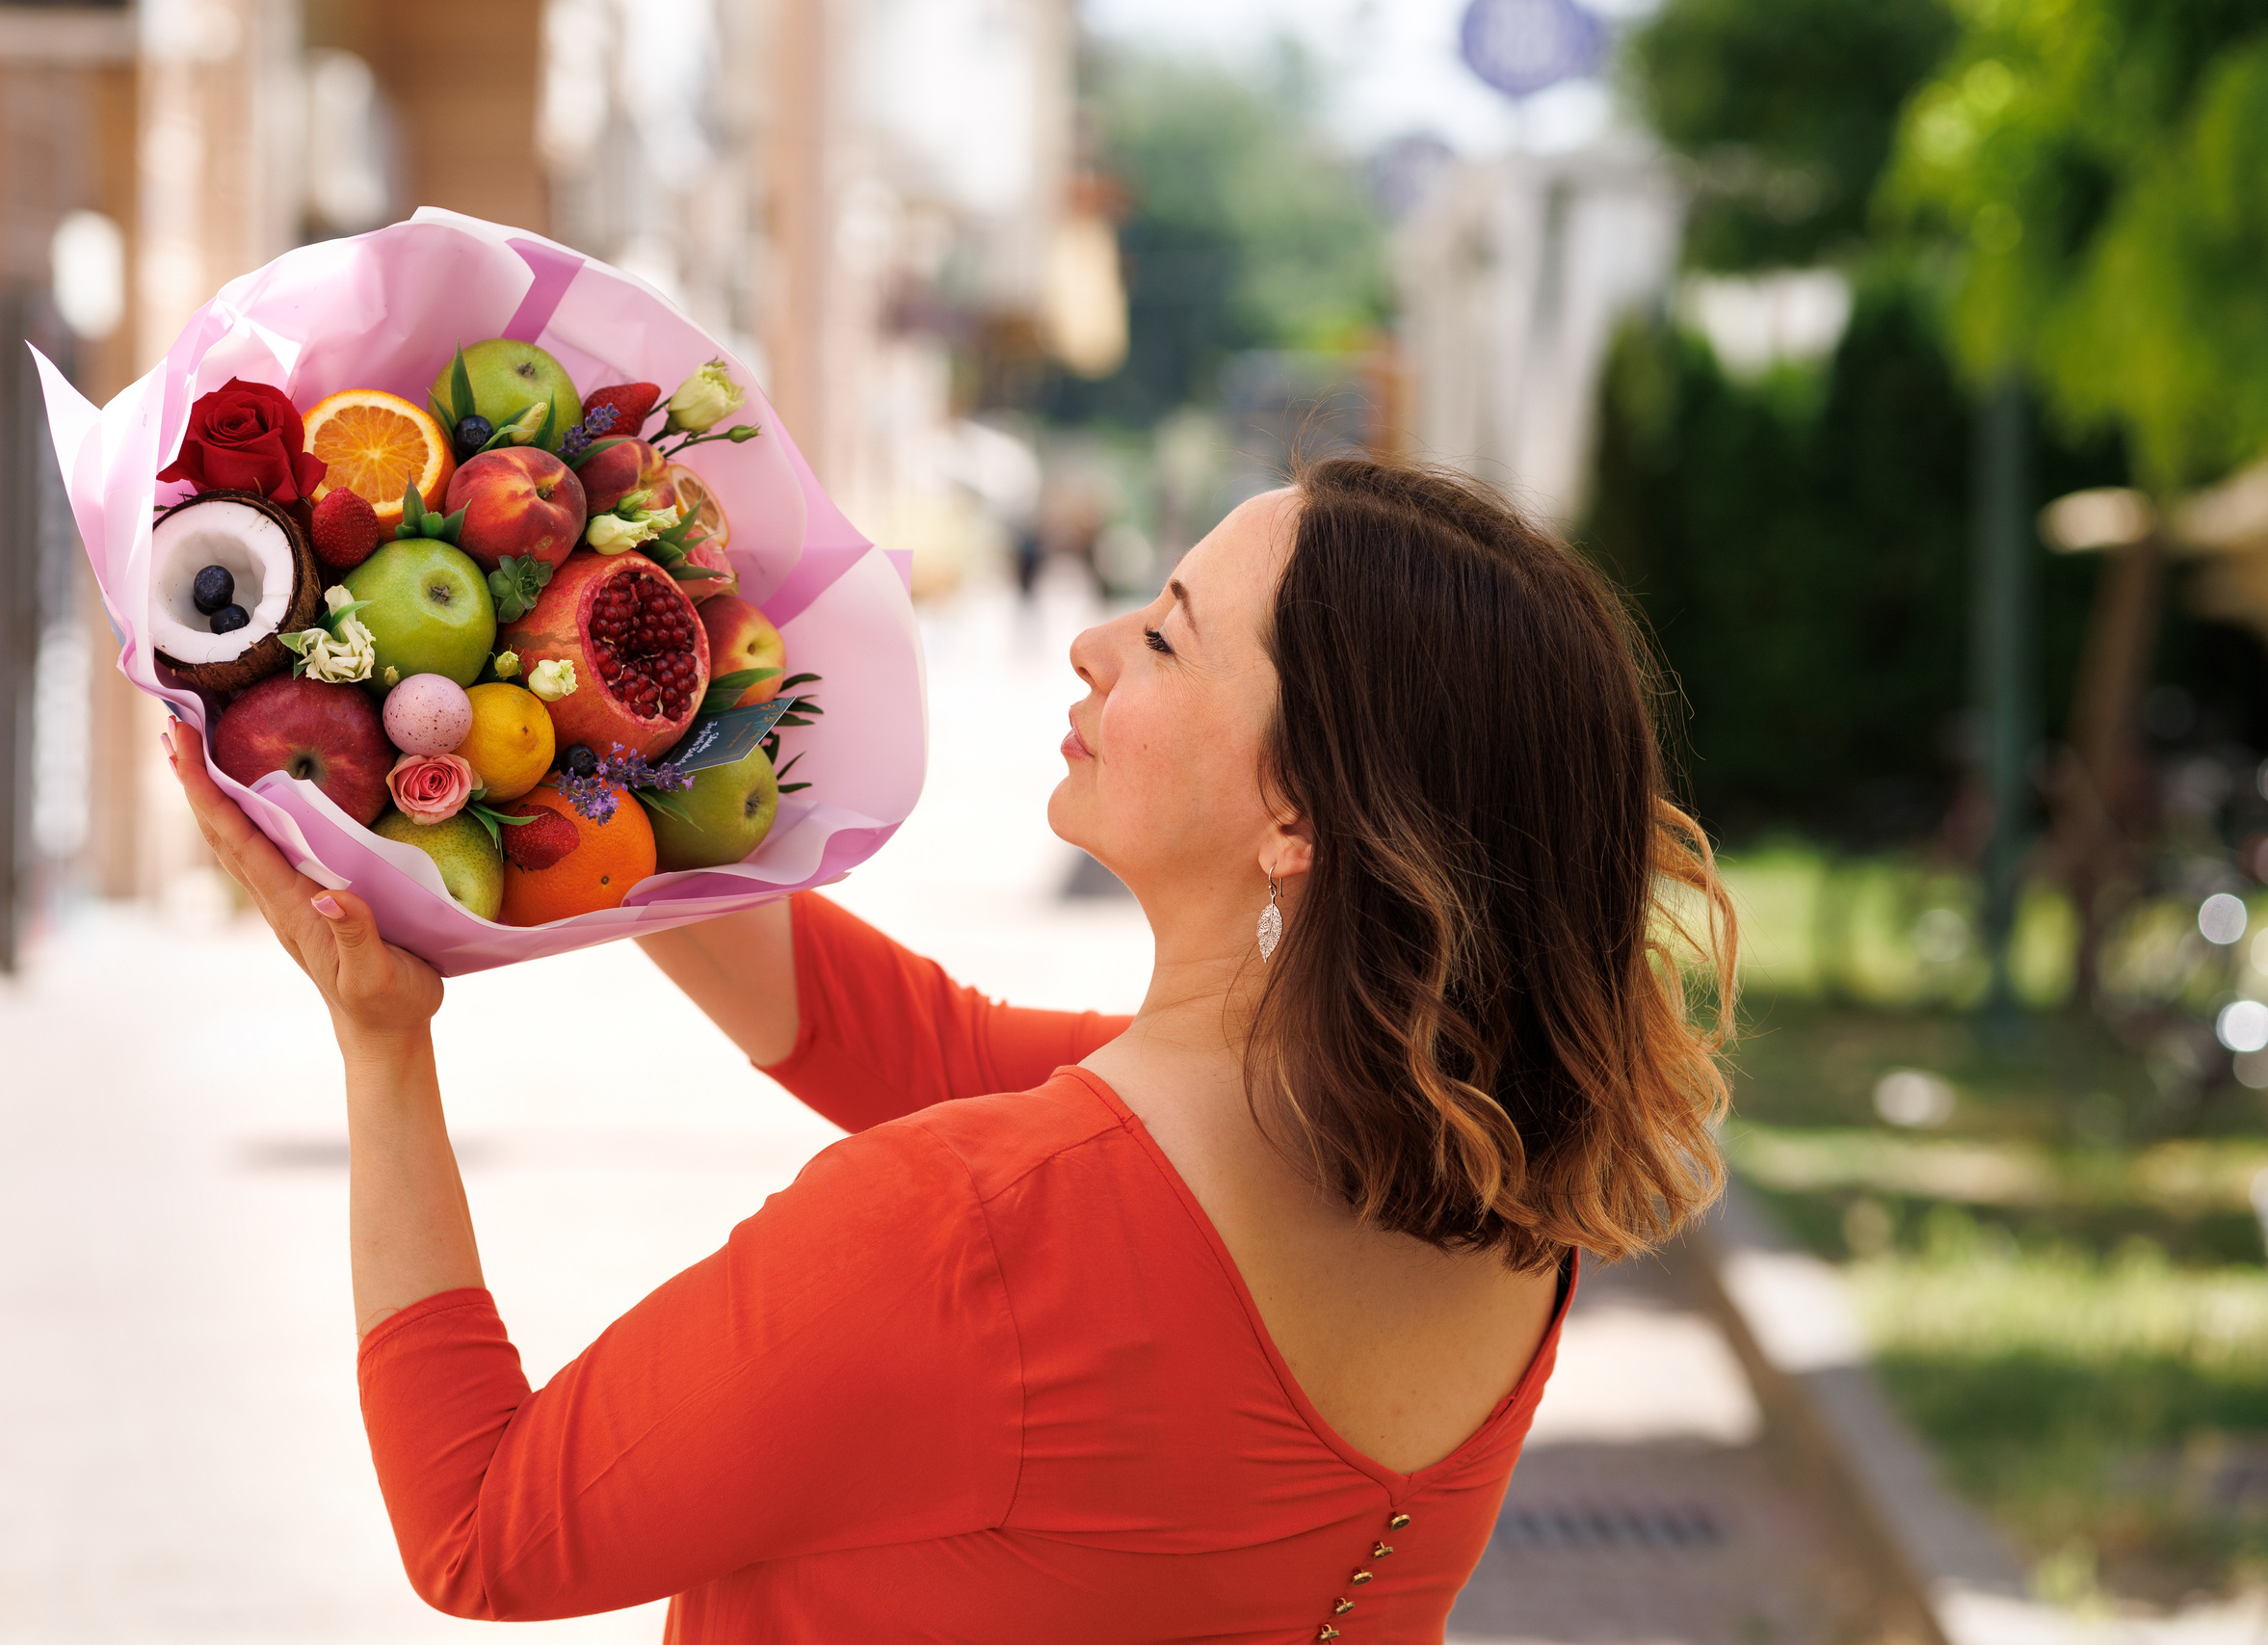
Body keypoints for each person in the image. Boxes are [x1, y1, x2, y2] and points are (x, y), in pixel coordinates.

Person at [168, 456, 1738, 1641]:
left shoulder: (974, 1230)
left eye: (1169, 640)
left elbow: (483, 1527)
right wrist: (592, 742)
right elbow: (913, 1043)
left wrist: (382, 1047)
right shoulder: (1497, 1179)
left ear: (1298, 816)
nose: (1095, 644)